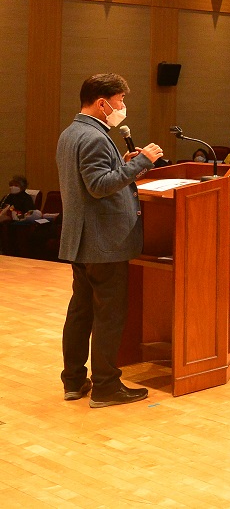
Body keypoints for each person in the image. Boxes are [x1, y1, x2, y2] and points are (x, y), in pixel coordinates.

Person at [57, 73, 165, 408]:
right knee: (108, 314)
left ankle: (74, 381)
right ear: (103, 103)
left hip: (83, 239)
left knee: (81, 311)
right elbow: (99, 186)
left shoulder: (71, 133)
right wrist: (143, 162)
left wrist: (125, 164)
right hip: (104, 243)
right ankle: (105, 386)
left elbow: (95, 178)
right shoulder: (94, 137)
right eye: (119, 101)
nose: (122, 107)